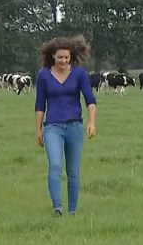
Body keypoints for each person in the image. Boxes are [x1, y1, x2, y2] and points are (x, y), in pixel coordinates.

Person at [34, 35, 97, 217]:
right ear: (53, 56)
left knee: (73, 171)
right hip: (52, 127)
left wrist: (91, 122)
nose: (63, 61)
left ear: (71, 57)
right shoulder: (43, 75)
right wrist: (38, 130)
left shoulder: (79, 74)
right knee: (54, 165)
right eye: (60, 57)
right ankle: (57, 208)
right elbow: (40, 104)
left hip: (74, 127)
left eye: (66, 58)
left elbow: (90, 100)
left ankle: (72, 211)